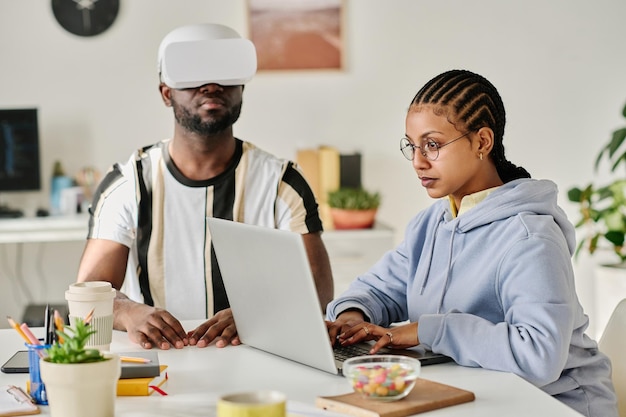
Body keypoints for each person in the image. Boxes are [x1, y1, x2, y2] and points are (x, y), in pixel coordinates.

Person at [325, 69, 618, 417]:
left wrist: (428, 330)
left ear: (482, 142)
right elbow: (380, 289)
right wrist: (351, 319)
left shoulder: (530, 237)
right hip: (476, 396)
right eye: (412, 145)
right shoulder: (432, 224)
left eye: (432, 145)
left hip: (555, 405)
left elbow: (539, 355)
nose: (418, 162)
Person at [76, 23, 333, 351]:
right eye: (192, 75)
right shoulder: (128, 185)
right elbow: (87, 294)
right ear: (166, 93)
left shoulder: (282, 183)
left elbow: (320, 292)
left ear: (242, 89)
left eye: (225, 75)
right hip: (164, 360)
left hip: (259, 353)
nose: (211, 86)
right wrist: (129, 312)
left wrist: (256, 314)